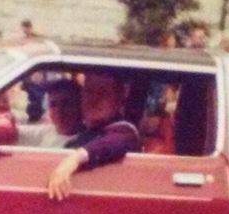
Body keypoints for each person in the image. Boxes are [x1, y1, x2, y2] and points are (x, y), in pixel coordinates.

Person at [48, 72, 141, 201]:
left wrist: (74, 159)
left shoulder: (124, 130)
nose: (93, 99)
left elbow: (113, 143)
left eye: (102, 92)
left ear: (119, 98)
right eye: (89, 92)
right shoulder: (86, 131)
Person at [17, 78, 84, 148]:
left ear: (79, 105)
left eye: (66, 104)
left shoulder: (89, 142)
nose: (59, 110)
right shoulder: (45, 132)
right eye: (53, 104)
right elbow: (12, 131)